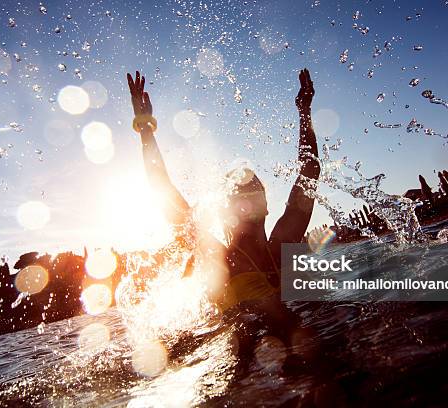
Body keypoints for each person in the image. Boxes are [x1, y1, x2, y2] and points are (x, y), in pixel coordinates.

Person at [125, 69, 320, 326]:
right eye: (240, 197)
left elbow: (310, 171)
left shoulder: (282, 244)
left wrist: (304, 111)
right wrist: (145, 128)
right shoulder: (218, 256)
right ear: (226, 212)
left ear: (266, 206)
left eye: (253, 192)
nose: (248, 202)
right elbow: (164, 191)